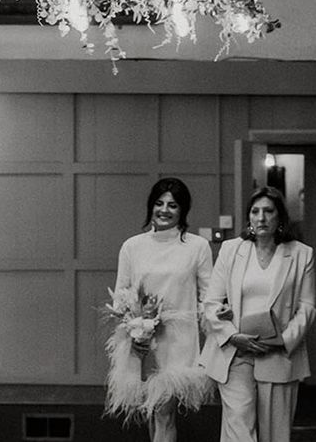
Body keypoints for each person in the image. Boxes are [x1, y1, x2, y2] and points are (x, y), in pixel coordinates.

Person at [199, 186, 316, 442]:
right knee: (239, 428)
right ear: (249, 217)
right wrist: (231, 336)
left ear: (280, 216)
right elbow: (210, 302)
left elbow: (307, 307)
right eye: (255, 211)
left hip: (277, 353)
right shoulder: (232, 250)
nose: (261, 218)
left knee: (275, 434)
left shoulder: (301, 254)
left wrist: (282, 341)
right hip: (235, 352)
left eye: (268, 211)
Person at [105, 177, 213, 442]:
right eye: (159, 203)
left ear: (183, 210)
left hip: (177, 342)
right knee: (152, 412)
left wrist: (215, 326)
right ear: (150, 206)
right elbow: (122, 295)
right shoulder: (132, 246)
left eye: (173, 205)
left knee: (165, 413)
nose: (164, 210)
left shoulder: (197, 246)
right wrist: (134, 329)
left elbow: (208, 295)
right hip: (140, 343)